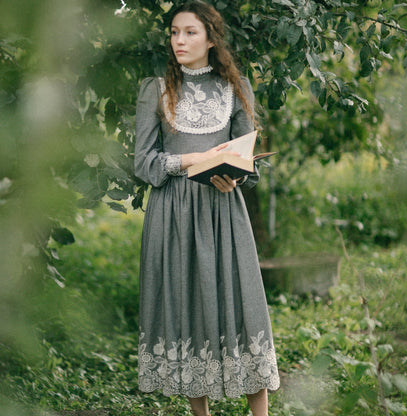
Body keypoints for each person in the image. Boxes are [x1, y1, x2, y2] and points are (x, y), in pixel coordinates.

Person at [134, 2, 280, 415]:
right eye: (174, 32)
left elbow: (247, 161)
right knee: (186, 304)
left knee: (243, 303)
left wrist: (234, 175)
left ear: (211, 38)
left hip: (223, 210)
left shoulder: (237, 87)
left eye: (190, 32)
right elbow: (144, 162)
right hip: (174, 214)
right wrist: (190, 162)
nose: (179, 40)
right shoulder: (155, 89)